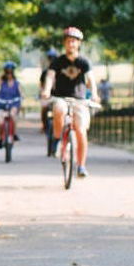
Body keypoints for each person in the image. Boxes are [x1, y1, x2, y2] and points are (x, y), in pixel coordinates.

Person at [42, 26, 97, 177]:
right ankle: (59, 139)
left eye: (73, 41)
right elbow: (50, 76)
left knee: (80, 131)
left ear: (78, 43)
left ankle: (81, 166)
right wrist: (46, 90)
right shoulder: (58, 62)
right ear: (64, 43)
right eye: (68, 41)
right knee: (59, 109)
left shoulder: (83, 62)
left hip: (79, 100)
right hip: (61, 97)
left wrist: (94, 94)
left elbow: (91, 79)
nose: (71, 44)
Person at [0, 61, 23, 148]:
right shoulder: (1, 81)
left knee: (13, 116)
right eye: (7, 72)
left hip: (13, 103)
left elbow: (21, 93)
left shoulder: (17, 83)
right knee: (0, 121)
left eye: (10, 72)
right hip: (1, 103)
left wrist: (22, 97)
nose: (9, 74)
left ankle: (13, 134)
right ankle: (1, 137)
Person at [39, 47, 58, 137]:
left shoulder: (60, 71)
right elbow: (41, 84)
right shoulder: (45, 72)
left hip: (58, 94)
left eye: (53, 58)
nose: (51, 60)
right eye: (50, 58)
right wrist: (43, 92)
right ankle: (44, 125)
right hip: (48, 95)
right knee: (44, 108)